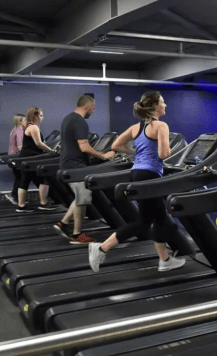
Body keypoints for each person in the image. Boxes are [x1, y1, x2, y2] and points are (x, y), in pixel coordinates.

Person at [88, 92, 185, 273]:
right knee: (143, 222)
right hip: (150, 176)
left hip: (137, 174)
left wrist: (137, 153)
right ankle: (101, 248)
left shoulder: (136, 127)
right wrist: (169, 149)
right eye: (163, 102)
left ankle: (164, 260)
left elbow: (116, 145)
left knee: (160, 218)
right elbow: (164, 154)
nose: (166, 105)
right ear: (155, 107)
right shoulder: (161, 126)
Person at [54, 95, 114, 244]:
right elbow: (84, 146)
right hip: (76, 166)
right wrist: (103, 155)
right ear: (87, 106)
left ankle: (63, 223)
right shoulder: (80, 121)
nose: (92, 112)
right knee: (82, 200)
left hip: (68, 164)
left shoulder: (68, 118)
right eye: (93, 109)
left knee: (80, 197)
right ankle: (76, 235)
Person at [16, 107, 56, 212]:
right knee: (44, 180)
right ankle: (43, 203)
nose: (42, 118)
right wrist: (51, 150)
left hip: (26, 157)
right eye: (41, 115)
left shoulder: (29, 127)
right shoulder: (34, 127)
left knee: (25, 181)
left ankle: (21, 206)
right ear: (35, 116)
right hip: (31, 158)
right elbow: (39, 143)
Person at [6, 113, 25, 205]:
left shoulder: (14, 130)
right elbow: (20, 146)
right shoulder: (19, 131)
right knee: (20, 178)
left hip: (13, 157)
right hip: (17, 157)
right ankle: (14, 196)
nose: (27, 122)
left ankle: (17, 196)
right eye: (25, 120)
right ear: (21, 121)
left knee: (19, 177)